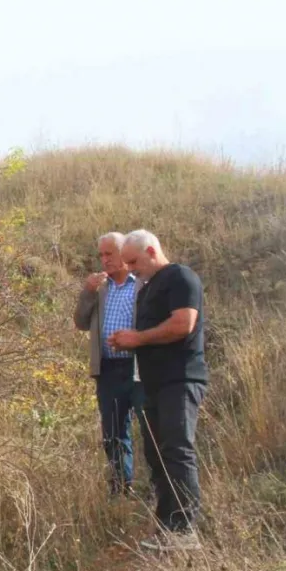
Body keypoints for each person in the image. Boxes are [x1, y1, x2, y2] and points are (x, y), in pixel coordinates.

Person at [109, 230, 207, 551]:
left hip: (180, 380)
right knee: (159, 456)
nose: (132, 269)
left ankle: (183, 532)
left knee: (178, 450)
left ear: (152, 250)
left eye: (134, 262)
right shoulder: (146, 289)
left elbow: (183, 324)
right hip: (153, 385)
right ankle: (166, 530)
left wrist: (137, 339)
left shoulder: (181, 277)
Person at [73, 232, 147, 497]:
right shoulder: (99, 288)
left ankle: (160, 489)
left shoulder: (141, 284)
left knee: (151, 428)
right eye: (101, 255)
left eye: (110, 254)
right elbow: (81, 322)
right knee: (113, 433)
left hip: (140, 369)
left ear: (125, 254)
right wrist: (87, 292)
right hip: (108, 370)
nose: (104, 260)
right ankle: (121, 490)